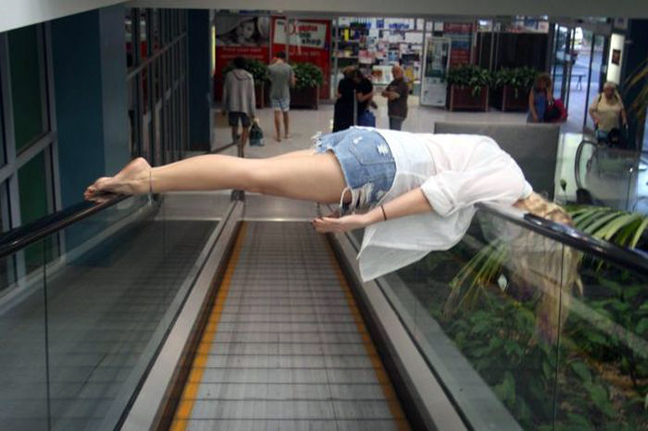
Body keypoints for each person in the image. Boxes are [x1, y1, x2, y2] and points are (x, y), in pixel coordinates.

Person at [85, 126, 575, 283]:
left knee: (258, 177)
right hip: (378, 168)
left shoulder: (504, 169)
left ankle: (149, 176)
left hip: (371, 147)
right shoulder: (506, 182)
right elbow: (439, 192)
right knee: (251, 175)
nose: (513, 247)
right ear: (531, 221)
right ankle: (146, 177)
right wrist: (366, 218)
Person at [222, 57, 256, 156]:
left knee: (234, 125)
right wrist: (253, 112)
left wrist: (223, 107)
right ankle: (242, 147)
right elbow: (252, 95)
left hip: (232, 106)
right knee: (246, 127)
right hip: (246, 107)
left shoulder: (229, 75)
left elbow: (225, 92)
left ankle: (235, 141)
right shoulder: (249, 77)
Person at [268, 52, 295, 142]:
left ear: (276, 57)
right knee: (285, 113)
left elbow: (268, 79)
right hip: (285, 94)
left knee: (277, 114)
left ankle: (278, 135)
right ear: (285, 58)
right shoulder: (289, 68)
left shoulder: (271, 68)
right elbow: (292, 83)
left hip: (274, 93)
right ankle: (286, 133)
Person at [381, 65, 409, 130]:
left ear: (402, 72)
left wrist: (388, 93)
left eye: (397, 72)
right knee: (392, 130)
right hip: (391, 112)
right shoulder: (393, 82)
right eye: (393, 72)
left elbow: (393, 96)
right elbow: (383, 93)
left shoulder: (403, 83)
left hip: (398, 112)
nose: (394, 74)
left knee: (395, 132)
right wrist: (389, 93)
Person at [333, 66, 357, 132]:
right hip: (350, 106)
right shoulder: (355, 83)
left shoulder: (342, 82)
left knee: (339, 124)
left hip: (341, 105)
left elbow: (339, 93)